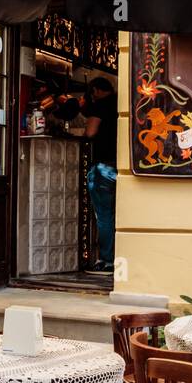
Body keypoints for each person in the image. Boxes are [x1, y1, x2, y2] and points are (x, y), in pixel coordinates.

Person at [69, 75, 118, 274]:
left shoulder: (99, 106)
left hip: (103, 168)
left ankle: (106, 261)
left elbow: (90, 132)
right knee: (122, 215)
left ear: (95, 91)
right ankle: (120, 257)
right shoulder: (120, 103)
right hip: (121, 166)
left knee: (105, 216)